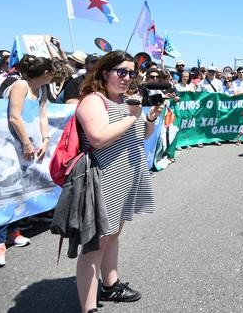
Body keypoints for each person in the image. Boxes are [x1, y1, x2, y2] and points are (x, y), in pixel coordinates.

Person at [74, 51, 163, 313]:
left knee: (113, 235)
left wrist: (148, 118)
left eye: (131, 73)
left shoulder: (127, 102)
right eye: (121, 72)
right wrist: (132, 115)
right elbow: (99, 138)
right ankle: (88, 308)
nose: (127, 78)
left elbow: (141, 136)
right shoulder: (93, 101)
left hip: (126, 178)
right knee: (94, 246)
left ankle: (110, 285)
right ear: (104, 72)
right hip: (103, 180)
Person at [0, 56, 55, 268]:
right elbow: (14, 117)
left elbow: (43, 115)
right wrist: (26, 143)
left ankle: (13, 231)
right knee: (6, 189)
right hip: (11, 146)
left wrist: (45, 139)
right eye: (52, 72)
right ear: (46, 73)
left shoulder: (42, 90)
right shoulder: (20, 85)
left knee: (20, 189)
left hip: (31, 147)